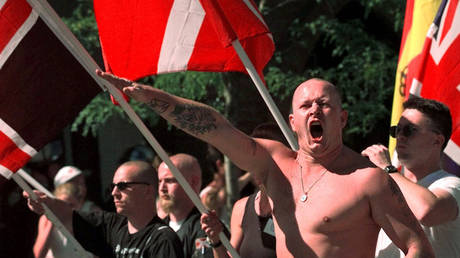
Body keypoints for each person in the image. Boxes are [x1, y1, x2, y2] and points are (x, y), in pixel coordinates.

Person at [96, 70, 434, 257]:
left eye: (324, 105)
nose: (315, 110)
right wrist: (150, 96)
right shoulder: (274, 164)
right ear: (292, 121)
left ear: (342, 118)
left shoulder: (367, 179)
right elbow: (216, 128)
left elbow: (418, 246)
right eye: (306, 106)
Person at [361, 97, 460, 258]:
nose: (400, 136)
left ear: (437, 140)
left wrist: (388, 169)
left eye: (409, 130)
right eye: (396, 130)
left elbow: (427, 211)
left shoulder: (453, 185)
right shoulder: (385, 186)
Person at [24, 160, 184, 258]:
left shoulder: (163, 239)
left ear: (148, 191)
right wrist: (47, 203)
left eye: (122, 186)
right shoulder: (112, 225)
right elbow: (68, 215)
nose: (114, 193)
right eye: (112, 186)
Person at [201, 122, 285, 258]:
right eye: (254, 156)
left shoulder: (300, 206)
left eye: (266, 157)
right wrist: (216, 241)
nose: (256, 163)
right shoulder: (242, 208)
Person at [158, 153, 213, 257]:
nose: (162, 188)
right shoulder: (157, 228)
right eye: (159, 181)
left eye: (170, 180)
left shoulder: (207, 230)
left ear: (193, 182)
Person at [33, 183, 94, 258]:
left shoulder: (89, 218)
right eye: (61, 205)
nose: (66, 209)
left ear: (80, 204)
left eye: (71, 205)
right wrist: (51, 222)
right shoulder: (46, 219)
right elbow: (38, 255)